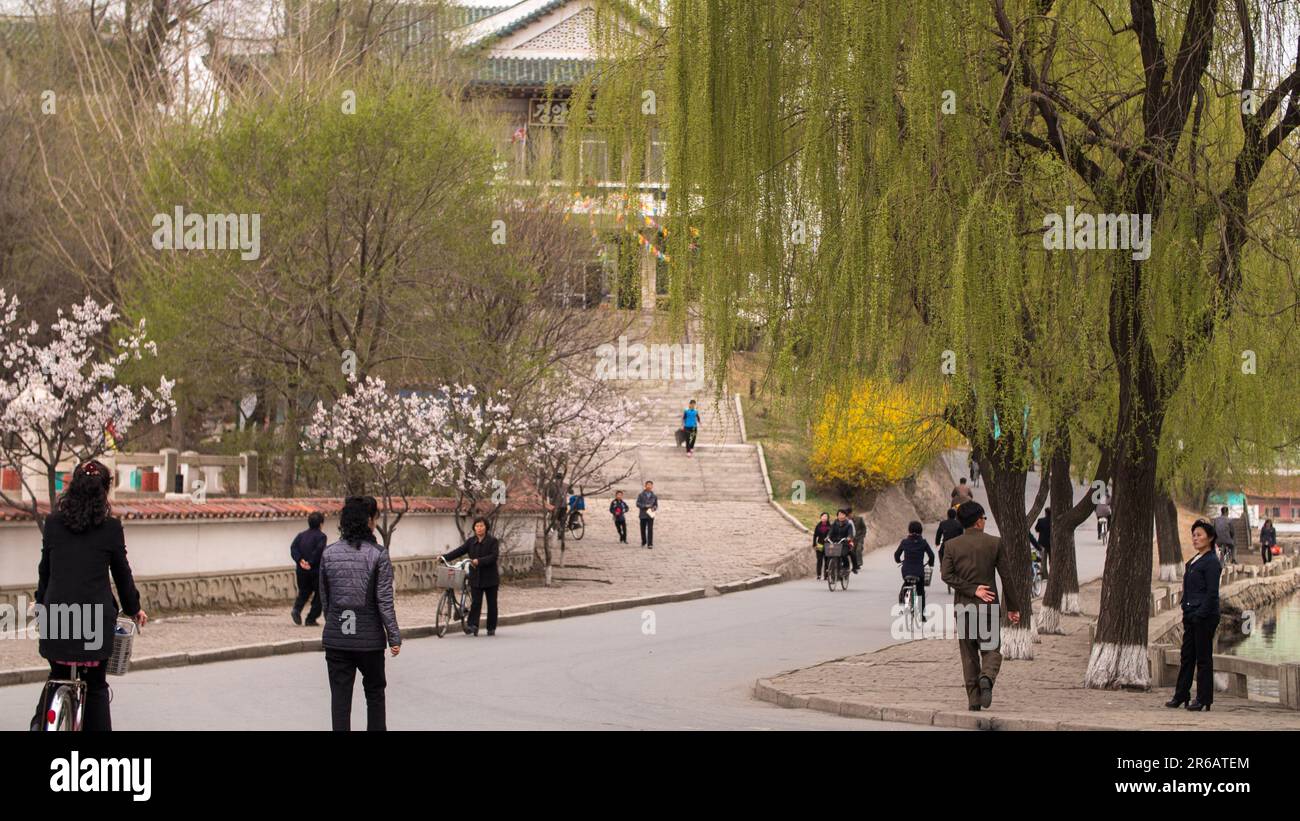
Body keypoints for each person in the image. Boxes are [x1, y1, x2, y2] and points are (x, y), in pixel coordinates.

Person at [32, 460, 147, 732]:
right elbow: (122, 574)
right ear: (104, 490)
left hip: (56, 620)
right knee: (96, 685)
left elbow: (45, 572)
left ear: (73, 487)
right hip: (95, 624)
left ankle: (39, 724)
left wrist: (40, 604)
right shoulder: (111, 528)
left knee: (58, 674)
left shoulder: (53, 524)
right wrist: (134, 609)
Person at [319, 495, 401, 731]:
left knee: (340, 699)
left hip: (337, 639)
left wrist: (333, 621)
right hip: (370, 642)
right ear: (368, 521)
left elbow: (325, 598)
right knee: (375, 694)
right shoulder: (379, 554)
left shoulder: (328, 554)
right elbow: (384, 601)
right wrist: (394, 637)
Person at [940, 501, 1022, 711]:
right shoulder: (994, 543)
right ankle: (987, 677)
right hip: (988, 607)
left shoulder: (951, 545)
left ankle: (974, 700)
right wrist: (1013, 607)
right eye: (984, 518)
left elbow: (946, 575)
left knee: (968, 655)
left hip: (963, 608)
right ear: (978, 521)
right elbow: (1007, 577)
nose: (984, 521)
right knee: (991, 649)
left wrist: (970, 589)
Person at [1166, 520, 1222, 711]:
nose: (1195, 538)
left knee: (1203, 658)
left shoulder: (1212, 562)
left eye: (1199, 535)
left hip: (1205, 616)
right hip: (1190, 615)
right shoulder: (1194, 560)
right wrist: (1186, 610)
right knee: (1186, 656)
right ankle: (1181, 695)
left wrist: (1200, 614)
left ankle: (1204, 698)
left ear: (1210, 537)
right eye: (1194, 535)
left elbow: (1212, 593)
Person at [442, 516, 501, 637]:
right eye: (477, 526)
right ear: (474, 528)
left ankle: (491, 628)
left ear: (486, 527)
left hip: (490, 578)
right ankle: (473, 625)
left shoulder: (492, 541)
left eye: (481, 526)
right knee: (476, 602)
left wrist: (479, 561)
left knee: (492, 604)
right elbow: (459, 551)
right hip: (476, 577)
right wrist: (444, 557)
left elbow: (493, 556)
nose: (479, 528)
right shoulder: (471, 542)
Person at [290, 511, 327, 626]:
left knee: (304, 591)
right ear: (321, 524)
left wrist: (300, 560)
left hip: (301, 569)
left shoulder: (301, 535)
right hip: (315, 570)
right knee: (320, 594)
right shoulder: (321, 537)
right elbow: (319, 551)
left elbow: (293, 548)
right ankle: (311, 618)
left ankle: (296, 609)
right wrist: (310, 562)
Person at [894, 521, 936, 621]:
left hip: (906, 571)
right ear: (921, 531)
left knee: (905, 585)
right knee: (920, 590)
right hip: (919, 572)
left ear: (909, 530)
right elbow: (932, 556)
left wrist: (898, 560)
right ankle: (921, 615)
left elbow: (896, 555)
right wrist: (930, 563)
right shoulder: (923, 542)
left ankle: (902, 604)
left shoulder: (904, 542)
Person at [827, 509, 855, 576]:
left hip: (844, 543)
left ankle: (846, 568)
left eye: (843, 514)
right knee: (830, 554)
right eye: (839, 514)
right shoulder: (834, 524)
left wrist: (848, 537)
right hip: (835, 542)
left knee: (843, 554)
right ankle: (830, 568)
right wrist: (828, 536)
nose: (841, 516)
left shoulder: (848, 525)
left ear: (845, 516)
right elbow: (830, 531)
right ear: (837, 516)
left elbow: (850, 534)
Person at [1029, 507, 1051, 578]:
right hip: (1051, 544)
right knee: (1052, 560)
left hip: (1042, 543)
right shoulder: (1054, 521)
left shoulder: (1041, 520)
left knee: (1043, 560)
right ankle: (1052, 574)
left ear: (1045, 513)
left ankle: (1044, 575)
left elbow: (1036, 529)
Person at [636, 480, 658, 548]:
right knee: (642, 529)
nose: (649, 486)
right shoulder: (641, 495)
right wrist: (645, 506)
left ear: (652, 486)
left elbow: (656, 505)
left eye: (650, 485)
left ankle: (650, 543)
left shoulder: (654, 496)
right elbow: (637, 503)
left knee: (650, 529)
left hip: (651, 514)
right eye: (648, 485)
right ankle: (644, 541)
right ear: (645, 486)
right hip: (643, 514)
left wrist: (654, 508)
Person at [812, 512, 831, 580]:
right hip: (819, 544)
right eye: (823, 516)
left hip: (828, 545)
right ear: (821, 517)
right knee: (819, 560)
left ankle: (826, 575)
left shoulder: (830, 526)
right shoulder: (818, 526)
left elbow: (832, 535)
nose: (824, 518)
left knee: (827, 560)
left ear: (828, 518)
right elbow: (815, 535)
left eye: (826, 516)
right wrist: (814, 544)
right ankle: (819, 575)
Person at [847, 507, 866, 573]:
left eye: (849, 515)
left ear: (851, 513)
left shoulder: (859, 519)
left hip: (860, 537)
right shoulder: (847, 521)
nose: (849, 516)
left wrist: (863, 535)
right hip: (852, 539)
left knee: (858, 549)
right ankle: (856, 565)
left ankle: (859, 563)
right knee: (853, 551)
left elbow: (864, 528)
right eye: (847, 516)